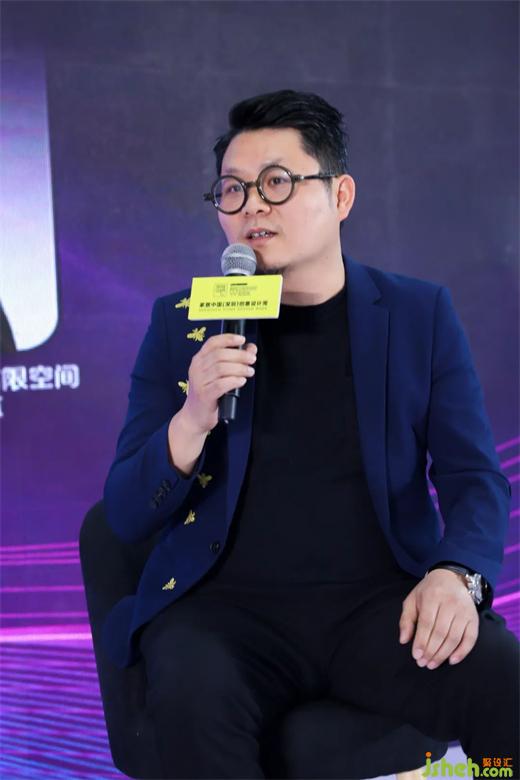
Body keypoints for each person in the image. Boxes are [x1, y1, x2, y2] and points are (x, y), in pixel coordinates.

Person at [102, 89, 519, 778]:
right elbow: (123, 512)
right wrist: (192, 418)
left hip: (380, 607)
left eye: (276, 183)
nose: (251, 208)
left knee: (503, 677)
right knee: (189, 695)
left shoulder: (418, 314)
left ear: (341, 195)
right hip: (224, 616)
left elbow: (473, 477)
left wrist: (458, 575)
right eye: (232, 190)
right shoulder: (183, 324)